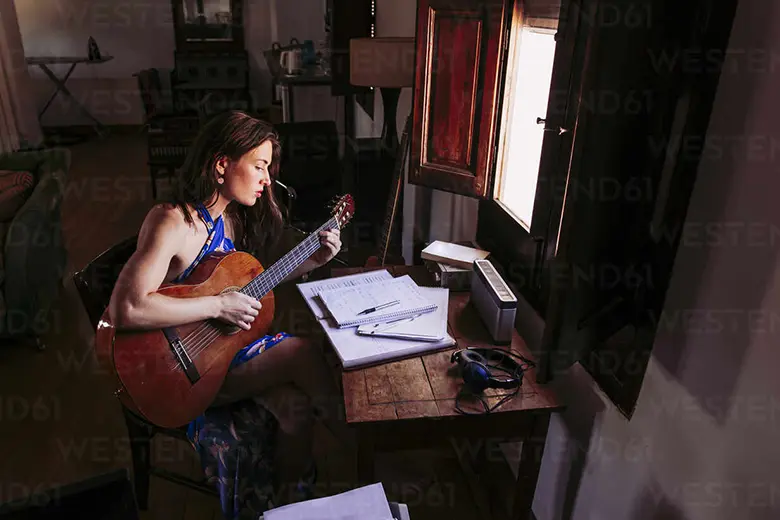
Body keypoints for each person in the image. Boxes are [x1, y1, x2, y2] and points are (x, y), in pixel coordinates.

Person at [107, 110, 350, 518]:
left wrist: (314, 261)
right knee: (300, 352)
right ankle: (356, 440)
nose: (267, 179)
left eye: (269, 168)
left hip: (219, 360)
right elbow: (127, 307)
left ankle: (289, 507)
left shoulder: (228, 220)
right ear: (222, 165)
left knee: (296, 412)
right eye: (259, 166)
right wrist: (218, 304)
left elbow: (255, 284)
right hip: (176, 376)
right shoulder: (172, 221)